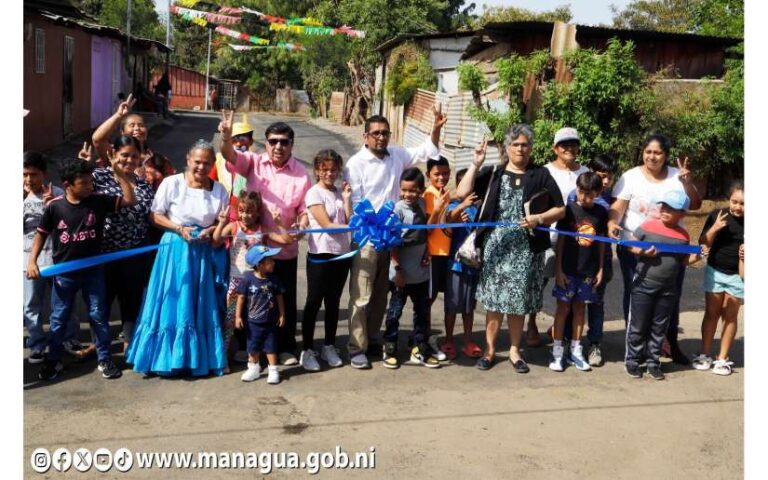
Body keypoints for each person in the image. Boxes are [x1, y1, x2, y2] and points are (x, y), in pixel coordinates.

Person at [343, 106, 447, 369]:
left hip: (392, 240)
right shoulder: (355, 164)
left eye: (385, 133)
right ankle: (356, 347)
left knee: (380, 294)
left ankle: (374, 338)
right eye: (376, 133)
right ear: (365, 136)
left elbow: (425, 151)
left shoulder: (398, 155)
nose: (381, 137)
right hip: (367, 239)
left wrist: (436, 128)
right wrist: (370, 231)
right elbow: (356, 205)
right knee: (361, 295)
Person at [456, 125, 565, 373]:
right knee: (494, 303)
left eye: (525, 144)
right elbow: (462, 193)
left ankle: (515, 351)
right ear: (507, 148)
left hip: (526, 250)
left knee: (517, 303)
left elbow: (560, 209)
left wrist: (539, 218)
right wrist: (475, 163)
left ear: (531, 148)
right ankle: (490, 349)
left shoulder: (540, 174)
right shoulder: (494, 173)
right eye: (515, 144)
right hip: (495, 248)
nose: (520, 149)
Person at [27, 157, 137, 381]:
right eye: (84, 183)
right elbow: (41, 234)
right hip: (64, 274)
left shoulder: (98, 201)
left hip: (93, 273)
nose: (90, 186)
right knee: (58, 318)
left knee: (98, 315)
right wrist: (32, 261)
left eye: (90, 182)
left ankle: (105, 359)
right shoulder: (55, 207)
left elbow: (129, 199)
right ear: (68, 185)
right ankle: (54, 361)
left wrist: (120, 174)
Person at [126, 140, 229, 377]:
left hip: (202, 253)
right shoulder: (172, 183)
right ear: (188, 159)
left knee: (198, 304)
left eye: (207, 163)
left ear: (213, 164)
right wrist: (178, 228)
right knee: (170, 301)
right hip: (174, 249)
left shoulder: (219, 190)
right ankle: (163, 358)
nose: (201, 167)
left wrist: (210, 229)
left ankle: (194, 359)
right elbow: (155, 216)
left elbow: (219, 222)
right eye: (197, 162)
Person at [218, 113, 311, 366]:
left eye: (284, 141)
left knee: (283, 301)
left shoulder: (302, 174)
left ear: (292, 144)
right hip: (252, 253)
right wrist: (226, 136)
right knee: (248, 299)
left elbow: (304, 210)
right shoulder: (253, 163)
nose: (278, 146)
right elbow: (230, 155)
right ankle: (249, 349)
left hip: (283, 250)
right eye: (273, 141)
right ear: (266, 143)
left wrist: (302, 226)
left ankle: (285, 348)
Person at [609, 134, 702, 364]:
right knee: (636, 297)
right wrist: (612, 223)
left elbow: (696, 204)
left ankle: (669, 344)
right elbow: (617, 208)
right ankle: (635, 350)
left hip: (672, 249)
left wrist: (687, 182)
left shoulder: (676, 176)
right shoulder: (630, 176)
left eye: (657, 152)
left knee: (670, 297)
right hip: (636, 247)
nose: (652, 156)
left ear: (666, 156)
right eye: (648, 151)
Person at [624, 190, 705, 380]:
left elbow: (683, 260)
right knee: (638, 325)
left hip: (667, 289)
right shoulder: (648, 226)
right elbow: (630, 245)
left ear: (682, 214)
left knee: (659, 327)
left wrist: (699, 255)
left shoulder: (683, 235)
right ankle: (633, 361)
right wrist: (643, 253)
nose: (665, 210)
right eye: (664, 206)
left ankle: (654, 362)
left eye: (672, 208)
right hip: (643, 285)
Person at [212, 191, 292, 373]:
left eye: (249, 211)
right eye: (241, 210)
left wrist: (279, 223)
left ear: (257, 213)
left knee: (259, 320)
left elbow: (286, 240)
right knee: (231, 320)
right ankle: (223, 358)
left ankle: (260, 357)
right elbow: (216, 241)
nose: (244, 215)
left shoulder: (261, 230)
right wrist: (222, 222)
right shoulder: (233, 227)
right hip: (236, 283)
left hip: (258, 284)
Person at [91, 136, 155, 352]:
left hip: (136, 254)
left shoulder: (145, 185)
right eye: (124, 155)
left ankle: (129, 343)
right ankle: (100, 345)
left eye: (134, 156)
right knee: (102, 302)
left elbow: (151, 216)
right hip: (105, 253)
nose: (129, 160)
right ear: (114, 155)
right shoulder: (99, 177)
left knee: (132, 300)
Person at [527, 127, 589, 348]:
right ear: (555, 148)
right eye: (564, 145)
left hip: (576, 240)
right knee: (539, 282)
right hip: (547, 235)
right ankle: (531, 323)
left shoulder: (585, 172)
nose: (569, 148)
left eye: (573, 144)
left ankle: (559, 328)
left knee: (569, 285)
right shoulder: (543, 172)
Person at [23, 152, 85, 363]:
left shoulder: (59, 194)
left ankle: (70, 338)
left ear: (44, 174)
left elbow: (70, 225)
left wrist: (52, 208)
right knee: (31, 304)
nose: (29, 180)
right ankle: (37, 344)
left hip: (57, 260)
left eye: (33, 174)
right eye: (24, 175)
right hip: (28, 262)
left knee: (65, 301)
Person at [561, 154, 618, 366]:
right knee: (570, 305)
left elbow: (607, 232)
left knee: (596, 304)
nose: (605, 182)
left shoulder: (610, 200)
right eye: (601, 176)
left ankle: (595, 344)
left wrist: (603, 266)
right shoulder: (572, 197)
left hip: (598, 263)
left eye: (609, 178)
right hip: (574, 262)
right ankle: (568, 342)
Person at [299, 149, 353, 372]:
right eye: (324, 169)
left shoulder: (341, 193)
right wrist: (353, 227)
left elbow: (350, 218)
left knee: (334, 302)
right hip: (320, 255)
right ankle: (307, 349)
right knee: (313, 302)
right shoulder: (314, 193)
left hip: (341, 254)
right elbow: (326, 225)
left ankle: (329, 346)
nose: (329, 173)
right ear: (317, 170)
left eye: (333, 169)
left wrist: (348, 199)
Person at [549, 172, 607, 372]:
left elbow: (601, 243)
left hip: (588, 272)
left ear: (598, 193)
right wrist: (558, 270)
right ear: (576, 188)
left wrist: (600, 269)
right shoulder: (569, 211)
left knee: (580, 310)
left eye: (590, 194)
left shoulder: (601, 213)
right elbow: (561, 241)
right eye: (581, 192)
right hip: (567, 270)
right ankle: (557, 352)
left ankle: (576, 351)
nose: (584, 198)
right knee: (563, 309)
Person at [382, 168, 440, 369]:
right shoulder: (397, 210)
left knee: (422, 313)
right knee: (395, 312)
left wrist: (427, 253)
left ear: (421, 190)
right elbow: (393, 243)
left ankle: (419, 347)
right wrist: (397, 269)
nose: (408, 195)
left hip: (421, 274)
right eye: (404, 190)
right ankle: (389, 347)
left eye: (413, 190)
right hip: (401, 276)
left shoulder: (424, 205)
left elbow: (428, 233)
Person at [692, 181, 744, 376]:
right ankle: (705, 354)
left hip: (739, 276)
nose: (738, 207)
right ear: (728, 199)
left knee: (730, 316)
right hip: (715, 271)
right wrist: (714, 228)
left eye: (743, 203)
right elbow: (702, 242)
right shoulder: (718, 215)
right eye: (734, 201)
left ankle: (722, 359)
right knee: (711, 313)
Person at [92, 93, 176, 195]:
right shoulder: (114, 154)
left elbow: (172, 188)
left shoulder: (159, 160)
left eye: (141, 125)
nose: (137, 128)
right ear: (122, 132)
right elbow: (98, 140)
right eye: (132, 125)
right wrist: (119, 115)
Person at [442, 168, 482, 358]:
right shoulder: (453, 205)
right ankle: (449, 340)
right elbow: (448, 220)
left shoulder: (479, 208)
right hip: (455, 264)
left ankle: (468, 340)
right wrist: (461, 208)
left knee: (468, 306)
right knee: (452, 304)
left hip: (473, 265)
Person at [236, 245, 285, 385]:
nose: (274, 262)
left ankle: (273, 370)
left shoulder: (274, 279)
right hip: (252, 322)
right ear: (259, 264)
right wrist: (238, 316)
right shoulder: (247, 279)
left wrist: (282, 314)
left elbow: (279, 297)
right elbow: (241, 297)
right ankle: (253, 368)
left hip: (270, 322)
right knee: (253, 346)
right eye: (270, 260)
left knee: (271, 346)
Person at [423, 156, 451, 360]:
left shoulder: (445, 194)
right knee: (428, 298)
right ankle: (424, 337)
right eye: (436, 174)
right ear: (428, 176)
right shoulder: (429, 195)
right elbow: (427, 228)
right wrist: (439, 207)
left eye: (445, 173)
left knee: (437, 298)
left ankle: (426, 335)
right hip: (434, 253)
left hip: (447, 253)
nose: (441, 177)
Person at [210, 113, 251, 221]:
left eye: (242, 140)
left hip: (245, 214)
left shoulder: (254, 161)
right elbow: (210, 183)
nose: (238, 144)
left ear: (250, 141)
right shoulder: (219, 160)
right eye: (234, 140)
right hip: (222, 209)